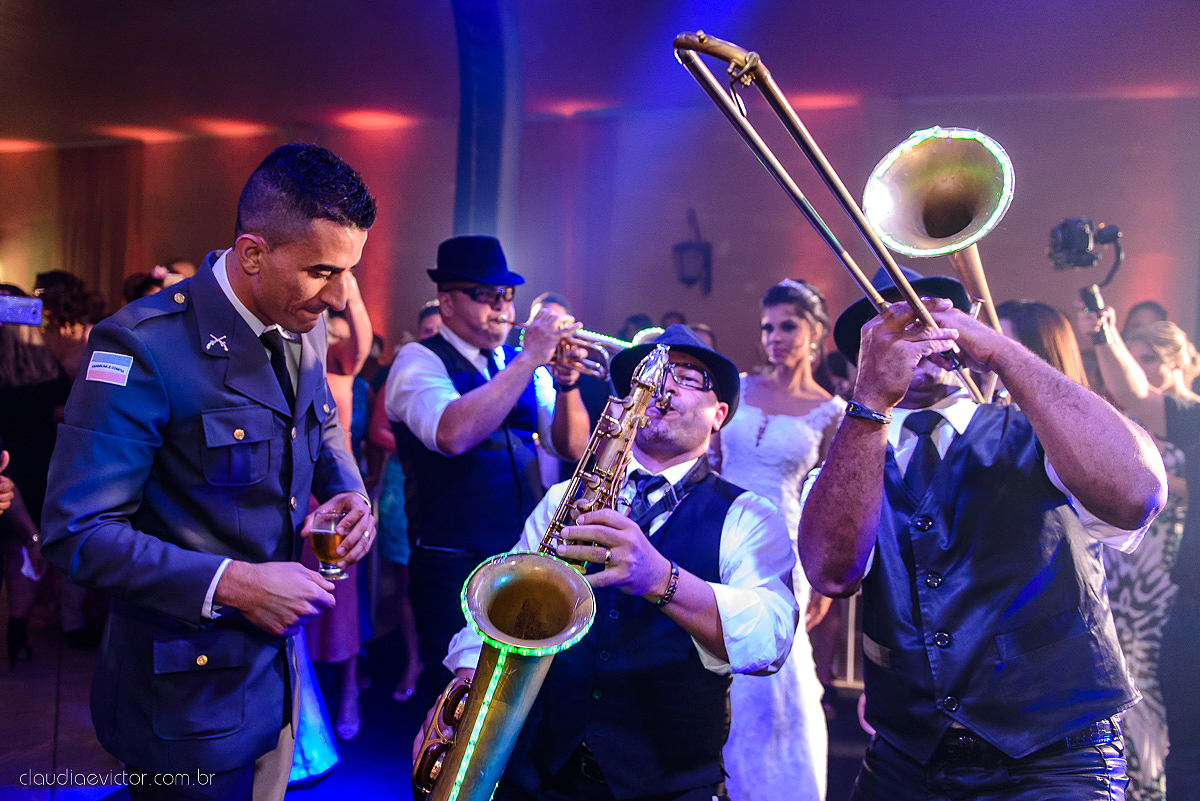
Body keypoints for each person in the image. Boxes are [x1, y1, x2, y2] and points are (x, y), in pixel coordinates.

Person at [40, 143, 378, 801]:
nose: (340, 297)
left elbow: (321, 421)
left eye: (348, 272)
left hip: (273, 680)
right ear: (253, 254)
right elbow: (75, 531)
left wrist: (348, 490)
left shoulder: (301, 324)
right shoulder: (141, 344)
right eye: (321, 270)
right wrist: (238, 583)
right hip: (184, 697)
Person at [799, 266, 1166, 801]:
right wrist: (872, 400)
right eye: (895, 325)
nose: (921, 333)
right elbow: (832, 572)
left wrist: (1002, 352)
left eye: (934, 317)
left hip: (1055, 760)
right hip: (907, 761)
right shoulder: (848, 459)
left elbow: (1138, 495)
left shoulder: (1040, 435)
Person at [420, 324, 799, 801]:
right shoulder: (566, 497)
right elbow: (501, 605)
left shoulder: (748, 516)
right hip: (540, 777)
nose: (665, 385)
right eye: (654, 375)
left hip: (668, 787)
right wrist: (462, 703)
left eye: (687, 376)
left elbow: (772, 639)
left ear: (718, 413)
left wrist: (661, 579)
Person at [385, 235, 591, 709]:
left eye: (507, 295)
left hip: (520, 554)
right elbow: (452, 434)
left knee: (518, 701)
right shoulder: (418, 360)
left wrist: (568, 382)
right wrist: (529, 358)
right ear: (447, 300)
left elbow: (571, 445)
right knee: (456, 703)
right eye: (486, 295)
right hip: (451, 559)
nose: (501, 307)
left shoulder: (514, 365)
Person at [713, 279, 840, 801]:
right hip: (718, 537)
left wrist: (825, 580)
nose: (775, 337)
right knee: (710, 655)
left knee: (771, 677)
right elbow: (711, 461)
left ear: (815, 333)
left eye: (788, 326)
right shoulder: (738, 387)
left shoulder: (832, 411)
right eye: (768, 327)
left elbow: (833, 503)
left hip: (785, 553)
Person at [1079, 307, 1200, 801]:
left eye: (1154, 357)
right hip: (1184, 609)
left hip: (1164, 596)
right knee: (1185, 753)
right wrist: (1105, 332)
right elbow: (1134, 395)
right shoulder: (1190, 418)